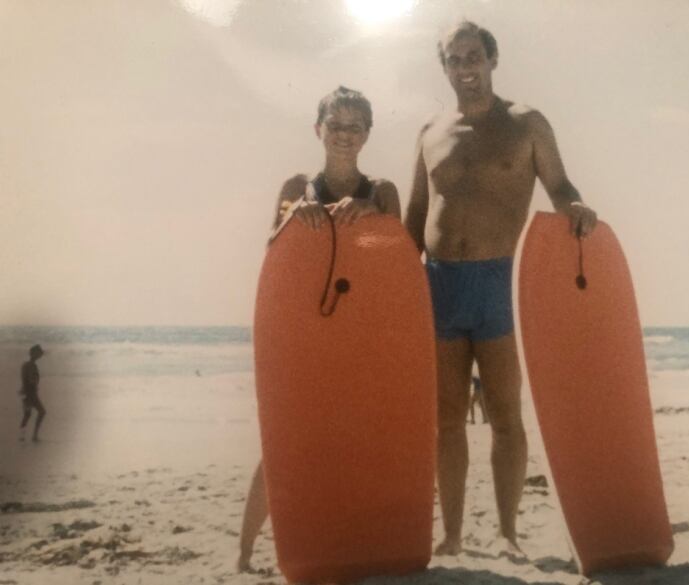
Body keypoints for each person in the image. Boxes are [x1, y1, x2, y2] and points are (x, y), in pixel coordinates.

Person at [404, 21, 598, 555]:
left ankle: (509, 534)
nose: (465, 68)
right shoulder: (429, 132)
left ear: (492, 59)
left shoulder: (526, 123)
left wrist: (574, 207)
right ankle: (452, 535)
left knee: (506, 417)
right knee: (446, 420)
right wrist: (397, 294)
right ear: (443, 67)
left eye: (474, 56)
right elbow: (416, 217)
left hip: (500, 285)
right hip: (440, 283)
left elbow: (560, 186)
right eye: (454, 59)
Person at [238, 86, 401, 572]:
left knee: (358, 443)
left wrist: (374, 214)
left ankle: (352, 543)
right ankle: (245, 553)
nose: (345, 135)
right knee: (283, 446)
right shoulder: (297, 187)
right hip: (307, 334)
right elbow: (275, 255)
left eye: (355, 126)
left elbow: (399, 263)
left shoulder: (383, 190)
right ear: (318, 130)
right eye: (336, 124)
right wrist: (293, 216)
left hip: (363, 337)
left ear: (368, 134)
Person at [19, 344, 46, 442]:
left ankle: (22, 436)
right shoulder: (31, 365)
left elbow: (25, 379)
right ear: (35, 354)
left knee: (27, 414)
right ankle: (34, 436)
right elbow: (31, 380)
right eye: (39, 354)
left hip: (26, 393)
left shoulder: (26, 365)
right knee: (42, 412)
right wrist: (34, 384)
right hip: (31, 393)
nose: (40, 356)